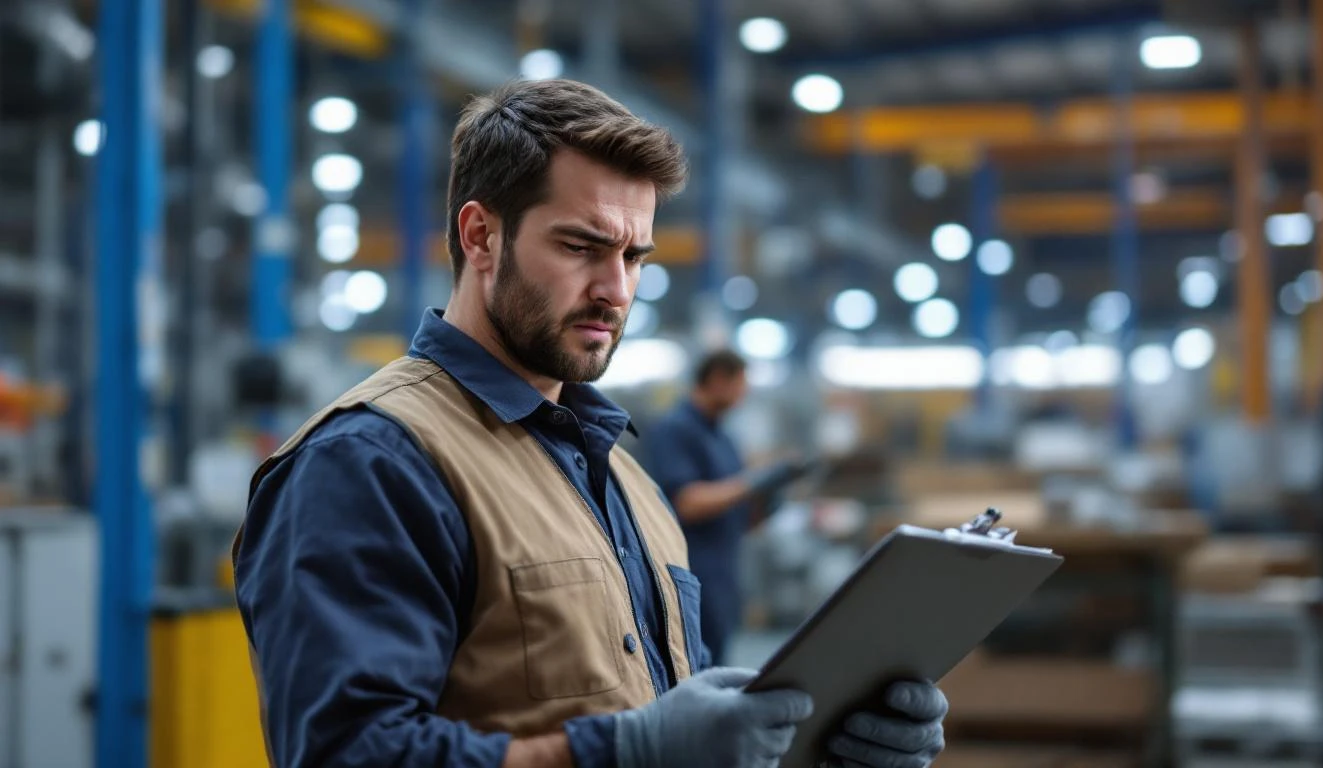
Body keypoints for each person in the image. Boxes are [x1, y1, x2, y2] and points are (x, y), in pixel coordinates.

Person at [233, 78, 946, 768]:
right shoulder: (372, 463)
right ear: (481, 237)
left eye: (634, 256)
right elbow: (350, 755)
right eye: (581, 247)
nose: (616, 290)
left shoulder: (626, 481)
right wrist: (627, 755)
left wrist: (817, 743)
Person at [642, 350, 816, 664]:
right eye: (740, 386)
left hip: (725, 570)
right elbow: (687, 502)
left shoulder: (723, 436)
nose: (743, 396)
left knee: (719, 662)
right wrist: (754, 481)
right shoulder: (675, 430)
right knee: (693, 668)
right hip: (690, 571)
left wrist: (772, 495)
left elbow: (741, 511)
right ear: (719, 380)